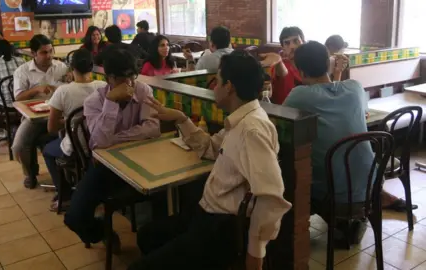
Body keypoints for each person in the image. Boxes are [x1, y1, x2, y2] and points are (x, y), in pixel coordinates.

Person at [128, 50, 291, 270]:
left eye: (218, 82)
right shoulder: (240, 119)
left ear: (230, 87)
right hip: (205, 213)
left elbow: (271, 195)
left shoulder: (252, 130)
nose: (214, 87)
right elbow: (211, 148)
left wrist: (255, 252)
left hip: (221, 228)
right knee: (148, 235)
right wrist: (181, 118)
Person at [283, 41, 417, 246]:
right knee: (345, 164)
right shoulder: (354, 88)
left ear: (300, 72)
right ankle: (352, 221)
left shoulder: (299, 96)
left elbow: (283, 121)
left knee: (291, 176)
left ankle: (292, 239)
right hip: (372, 186)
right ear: (327, 64)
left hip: (331, 195)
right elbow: (335, 95)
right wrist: (337, 74)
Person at [64, 46, 161, 252]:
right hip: (104, 168)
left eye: (133, 76)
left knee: (165, 196)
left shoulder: (143, 90)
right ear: (109, 78)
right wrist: (111, 102)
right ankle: (102, 232)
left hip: (141, 162)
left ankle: (156, 248)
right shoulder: (94, 102)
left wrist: (115, 139)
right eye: (123, 78)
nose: (130, 84)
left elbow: (153, 129)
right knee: (74, 217)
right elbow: (99, 141)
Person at [42, 49, 107, 211]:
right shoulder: (103, 86)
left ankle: (64, 196)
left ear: (71, 68)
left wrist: (71, 122)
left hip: (77, 148)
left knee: (47, 150)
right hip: (102, 144)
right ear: (92, 66)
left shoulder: (63, 91)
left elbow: (51, 127)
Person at [12, 34, 69, 189]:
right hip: (35, 118)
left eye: (51, 51)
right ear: (33, 54)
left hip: (59, 116)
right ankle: (30, 173)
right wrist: (36, 89)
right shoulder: (22, 71)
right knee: (18, 146)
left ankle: (67, 177)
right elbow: (18, 98)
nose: (49, 55)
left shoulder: (61, 67)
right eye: (44, 52)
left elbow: (69, 87)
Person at [259, 26, 304, 105]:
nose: (292, 46)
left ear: (303, 42)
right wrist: (279, 61)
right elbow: (283, 73)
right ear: (282, 48)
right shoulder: (278, 64)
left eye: (296, 41)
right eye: (287, 43)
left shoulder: (310, 65)